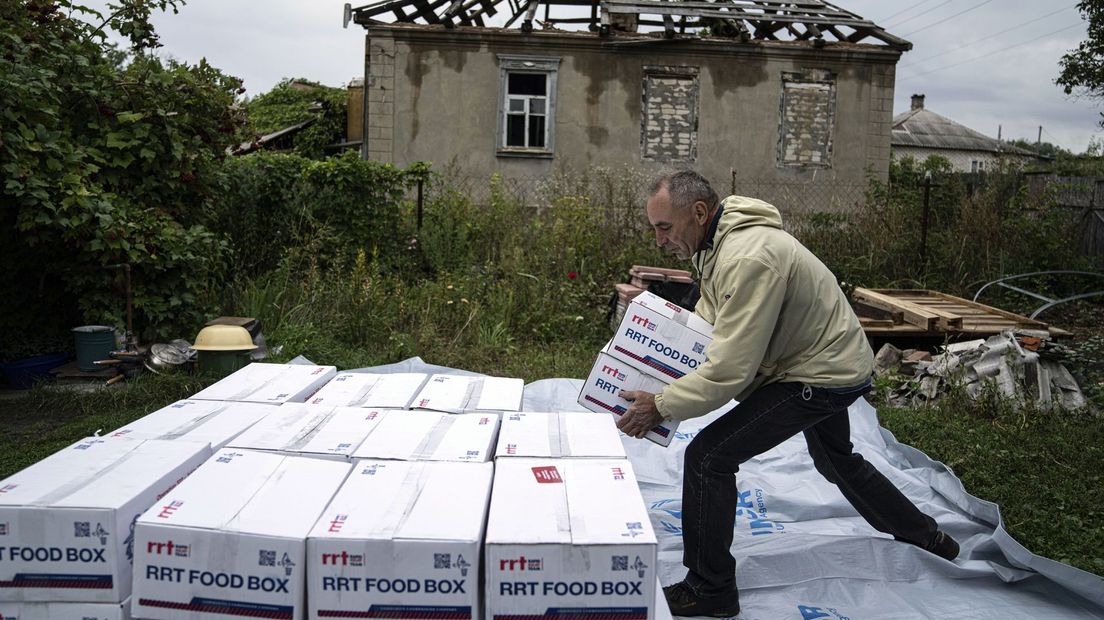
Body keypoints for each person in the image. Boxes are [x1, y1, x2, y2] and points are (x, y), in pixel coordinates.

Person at [616, 170, 959, 618]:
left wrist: (661, 405)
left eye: (664, 227)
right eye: (654, 228)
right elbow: (710, 324)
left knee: (707, 457)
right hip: (821, 358)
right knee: (835, 458)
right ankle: (928, 537)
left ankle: (710, 589)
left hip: (820, 372)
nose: (659, 241)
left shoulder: (749, 257)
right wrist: (656, 362)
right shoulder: (715, 245)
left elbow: (731, 368)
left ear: (698, 213)